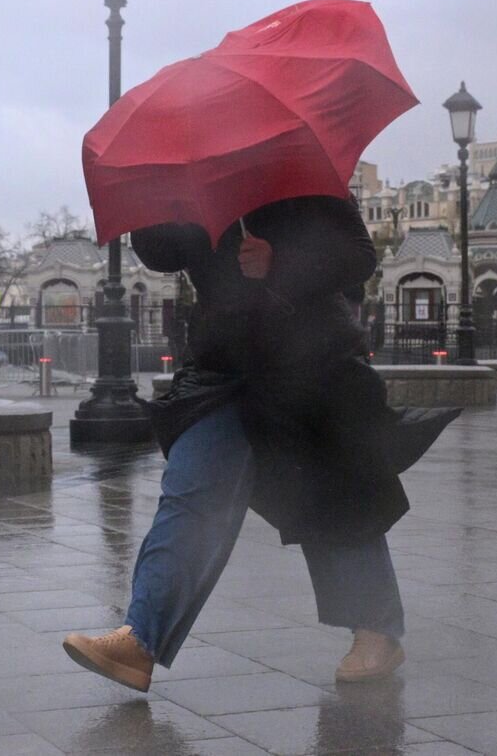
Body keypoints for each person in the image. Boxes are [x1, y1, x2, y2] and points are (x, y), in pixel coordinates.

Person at [63, 195, 426, 692]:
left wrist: (281, 264)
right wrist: (154, 203)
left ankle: (376, 631)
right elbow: (162, 254)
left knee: (334, 497)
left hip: (311, 364)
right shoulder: (195, 178)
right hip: (224, 365)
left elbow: (358, 255)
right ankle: (140, 640)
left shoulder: (302, 171)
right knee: (192, 488)